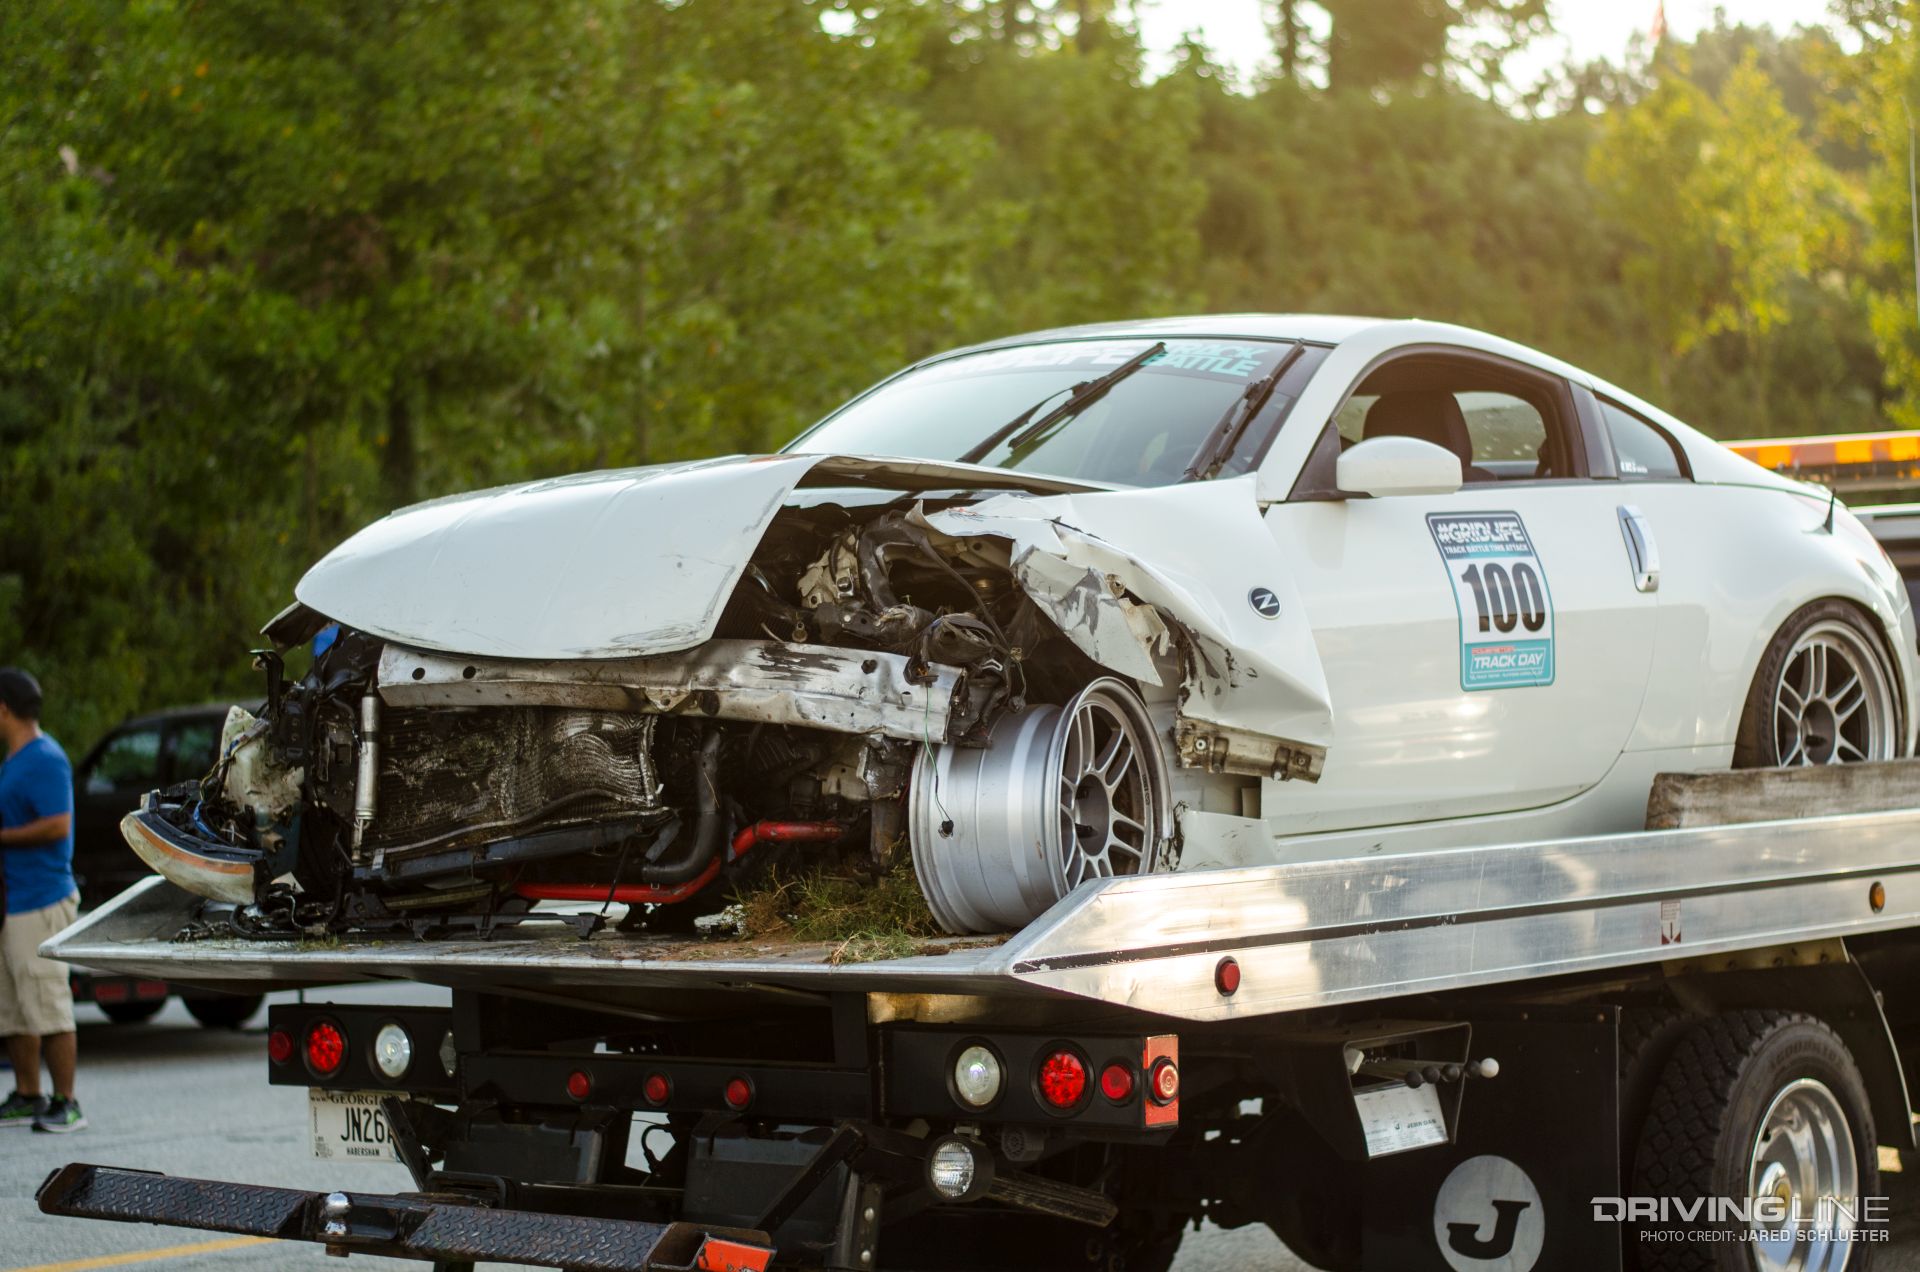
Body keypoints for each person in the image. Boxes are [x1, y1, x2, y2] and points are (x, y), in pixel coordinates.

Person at [0, 668, 84, 1132]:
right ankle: (28, 1093)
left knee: (49, 1004)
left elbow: (58, 825)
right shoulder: (14, 761)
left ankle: (67, 1102)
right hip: (15, 903)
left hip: (43, 900)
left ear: (4, 708)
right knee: (15, 1006)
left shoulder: (46, 758)